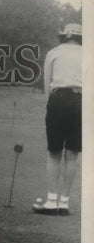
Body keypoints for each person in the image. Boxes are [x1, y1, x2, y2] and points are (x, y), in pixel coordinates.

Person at [32, 22, 82, 216]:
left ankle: (52, 201)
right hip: (82, 101)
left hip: (58, 100)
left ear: (64, 36)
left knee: (54, 152)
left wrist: (50, 106)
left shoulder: (54, 53)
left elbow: (47, 84)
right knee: (72, 154)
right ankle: (64, 203)